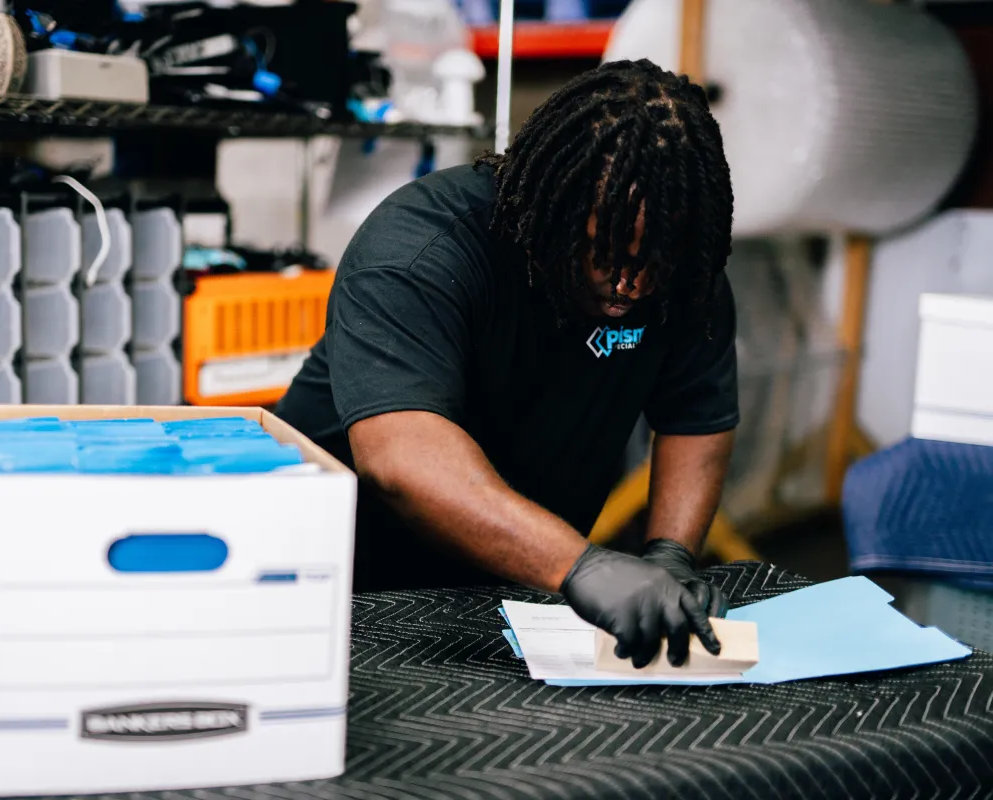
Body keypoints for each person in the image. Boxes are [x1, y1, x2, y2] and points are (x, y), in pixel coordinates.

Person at [276, 59, 738, 670]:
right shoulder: (421, 249)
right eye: (609, 253)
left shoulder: (679, 276)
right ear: (556, 207)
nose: (634, 282)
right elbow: (402, 459)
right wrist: (583, 566)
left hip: (512, 587)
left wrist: (668, 556)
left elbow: (696, 419)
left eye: (657, 260)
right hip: (342, 586)